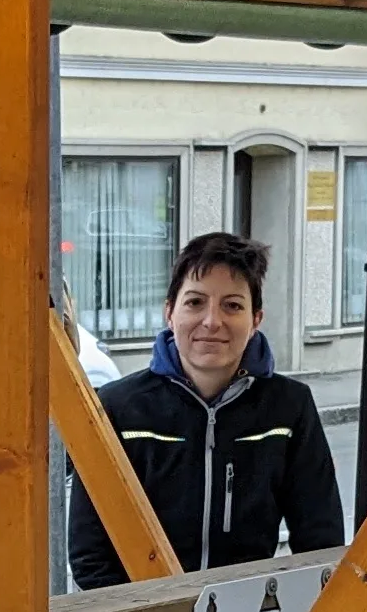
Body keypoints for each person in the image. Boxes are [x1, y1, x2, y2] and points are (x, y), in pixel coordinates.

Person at [66, 229, 347, 590]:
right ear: (170, 312)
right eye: (195, 302)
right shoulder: (118, 407)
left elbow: (320, 538)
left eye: (232, 305)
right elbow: (90, 552)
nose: (212, 321)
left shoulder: (289, 407)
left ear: (256, 319)